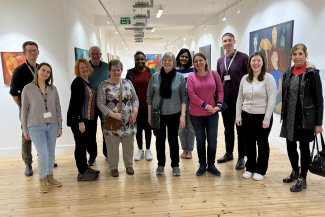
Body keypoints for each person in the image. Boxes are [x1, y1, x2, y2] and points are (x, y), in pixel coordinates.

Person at [9, 41, 59, 176]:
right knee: (26, 136)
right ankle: (28, 163)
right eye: (29, 50)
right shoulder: (19, 71)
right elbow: (14, 92)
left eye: (35, 50)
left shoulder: (41, 68)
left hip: (45, 111)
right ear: (24, 53)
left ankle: (45, 159)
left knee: (45, 135)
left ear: (38, 52)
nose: (33, 52)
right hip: (29, 111)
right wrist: (24, 106)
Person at [280, 43, 323, 192]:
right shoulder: (288, 72)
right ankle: (295, 170)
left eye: (300, 54)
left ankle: (303, 178)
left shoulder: (312, 73)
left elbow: (319, 100)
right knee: (290, 146)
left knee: (304, 148)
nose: (297, 57)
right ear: (291, 56)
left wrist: (318, 123)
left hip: (306, 118)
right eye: (294, 54)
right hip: (290, 117)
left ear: (305, 55)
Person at [20, 62, 62, 193]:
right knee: (43, 154)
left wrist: (60, 126)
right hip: (35, 125)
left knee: (51, 153)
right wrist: (25, 129)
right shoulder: (28, 88)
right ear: (38, 71)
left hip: (53, 124)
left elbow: (58, 108)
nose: (45, 73)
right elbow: (24, 111)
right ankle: (42, 178)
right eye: (43, 70)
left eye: (48, 72)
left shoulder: (53, 89)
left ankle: (50, 176)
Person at [235, 52, 277, 181]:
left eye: (258, 60)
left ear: (263, 62)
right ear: (250, 63)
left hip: (262, 116)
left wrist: (267, 119)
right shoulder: (244, 78)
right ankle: (250, 167)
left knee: (262, 143)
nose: (256, 63)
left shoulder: (268, 78)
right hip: (246, 115)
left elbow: (272, 99)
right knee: (249, 143)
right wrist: (238, 116)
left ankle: (261, 170)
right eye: (253, 60)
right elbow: (240, 98)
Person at [97, 59, 139, 177]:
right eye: (114, 70)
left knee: (128, 145)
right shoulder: (103, 85)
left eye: (118, 70)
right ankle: (113, 167)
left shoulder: (128, 83)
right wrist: (112, 114)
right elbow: (100, 103)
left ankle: (129, 165)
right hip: (111, 122)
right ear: (109, 71)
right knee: (112, 146)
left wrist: (135, 112)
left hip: (128, 122)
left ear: (122, 70)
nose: (116, 72)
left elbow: (135, 99)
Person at [147, 52, 186, 176]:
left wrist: (183, 114)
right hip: (158, 114)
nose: (167, 62)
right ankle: (160, 165)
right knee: (159, 140)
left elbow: (184, 97)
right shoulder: (155, 76)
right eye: (165, 60)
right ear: (162, 62)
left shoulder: (180, 77)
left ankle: (175, 165)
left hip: (175, 113)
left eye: (170, 60)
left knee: (173, 140)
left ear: (174, 62)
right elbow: (149, 97)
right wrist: (149, 116)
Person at [187, 53, 224, 176]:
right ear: (194, 63)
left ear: (205, 61)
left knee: (212, 140)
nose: (198, 63)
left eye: (201, 60)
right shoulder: (191, 77)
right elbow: (191, 95)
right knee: (200, 140)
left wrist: (218, 105)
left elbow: (220, 91)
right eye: (196, 61)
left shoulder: (214, 74)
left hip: (212, 113)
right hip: (196, 114)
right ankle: (202, 164)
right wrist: (205, 105)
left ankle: (211, 164)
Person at [217, 32, 249, 170]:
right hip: (226, 102)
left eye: (229, 40)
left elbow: (248, 78)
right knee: (228, 129)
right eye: (225, 41)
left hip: (240, 101)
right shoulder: (220, 60)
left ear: (234, 41)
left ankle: (242, 157)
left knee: (241, 130)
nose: (227, 43)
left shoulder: (243, 58)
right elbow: (218, 82)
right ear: (222, 43)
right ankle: (229, 153)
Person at [67, 59, 100, 182]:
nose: (85, 69)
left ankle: (85, 168)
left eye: (86, 67)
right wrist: (80, 121)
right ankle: (81, 172)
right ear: (78, 70)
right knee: (80, 146)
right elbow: (75, 104)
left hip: (88, 120)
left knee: (85, 144)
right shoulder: (77, 83)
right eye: (82, 68)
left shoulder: (87, 82)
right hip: (79, 121)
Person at [126, 51, 155, 161]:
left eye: (142, 59)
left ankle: (147, 149)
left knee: (148, 128)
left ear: (145, 60)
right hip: (135, 107)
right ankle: (139, 150)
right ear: (135, 60)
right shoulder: (130, 73)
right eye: (138, 59)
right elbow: (126, 88)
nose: (140, 61)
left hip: (148, 106)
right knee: (137, 129)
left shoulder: (151, 71)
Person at [88, 46, 110, 164]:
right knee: (91, 131)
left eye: (97, 53)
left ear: (100, 54)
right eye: (93, 54)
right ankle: (92, 155)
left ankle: (107, 153)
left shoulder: (107, 67)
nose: (95, 56)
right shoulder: (85, 67)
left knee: (106, 129)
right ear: (89, 54)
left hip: (104, 103)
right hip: (90, 104)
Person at [176, 48, 195, 159]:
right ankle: (184, 149)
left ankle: (190, 150)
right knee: (181, 128)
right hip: (179, 104)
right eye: (182, 56)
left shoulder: (193, 70)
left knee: (191, 128)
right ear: (179, 57)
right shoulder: (175, 71)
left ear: (189, 59)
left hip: (192, 103)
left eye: (186, 57)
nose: (184, 58)